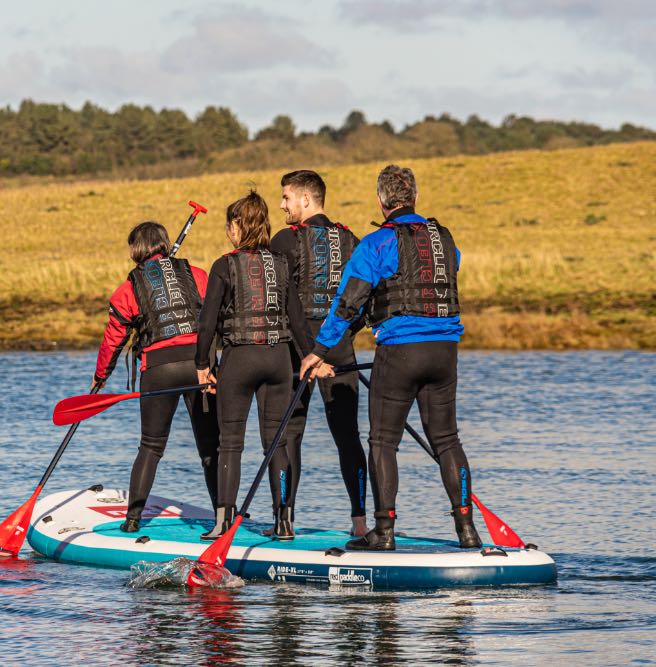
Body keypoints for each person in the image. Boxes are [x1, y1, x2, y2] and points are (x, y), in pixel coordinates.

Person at [299, 164, 482, 550]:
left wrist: (319, 351)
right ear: (414, 197)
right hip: (445, 353)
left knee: (382, 441)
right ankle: (466, 529)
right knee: (447, 440)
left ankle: (383, 531)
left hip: (399, 353)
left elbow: (347, 304)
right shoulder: (446, 240)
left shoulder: (376, 244)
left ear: (381, 202)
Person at [194, 190, 319, 540]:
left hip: (240, 360)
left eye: (229, 225)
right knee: (276, 442)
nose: (228, 232)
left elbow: (207, 323)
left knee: (230, 443)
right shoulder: (280, 263)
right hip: (278, 360)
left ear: (238, 227)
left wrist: (203, 365)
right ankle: (284, 521)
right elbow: (297, 321)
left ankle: (222, 522)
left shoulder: (224, 265)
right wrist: (311, 357)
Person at [93, 221, 219, 533]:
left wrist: (100, 376)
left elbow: (114, 338)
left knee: (151, 446)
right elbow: (218, 315)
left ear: (136, 250)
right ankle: (223, 517)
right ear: (162, 244)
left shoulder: (128, 288)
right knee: (209, 445)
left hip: (158, 370)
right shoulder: (198, 275)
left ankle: (132, 520)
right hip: (199, 366)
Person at [271, 170, 369, 537]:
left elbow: (273, 297)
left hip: (297, 351)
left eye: (286, 198)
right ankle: (359, 524)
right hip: (340, 348)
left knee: (288, 434)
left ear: (306, 200)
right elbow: (365, 298)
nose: (281, 205)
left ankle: (284, 522)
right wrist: (343, 335)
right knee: (348, 436)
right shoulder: (352, 240)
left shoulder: (284, 240)